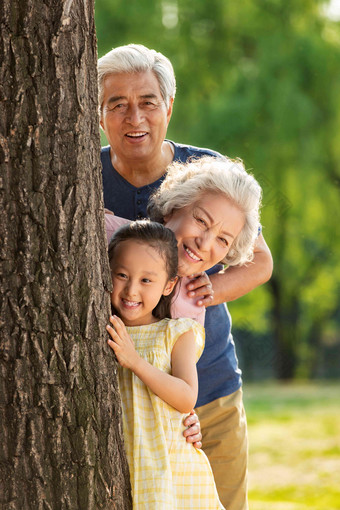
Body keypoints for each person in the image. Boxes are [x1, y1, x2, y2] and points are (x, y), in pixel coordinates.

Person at [98, 44, 273, 510]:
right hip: (117, 396)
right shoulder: (79, 176)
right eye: (117, 104)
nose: (135, 117)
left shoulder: (208, 174)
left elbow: (259, 261)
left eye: (149, 102)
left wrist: (206, 289)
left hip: (207, 387)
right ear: (99, 114)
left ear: (169, 107)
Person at [106, 220, 225, 509]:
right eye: (121, 275)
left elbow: (186, 397)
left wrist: (134, 362)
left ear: (169, 284)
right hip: (125, 467)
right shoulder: (107, 329)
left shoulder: (175, 332)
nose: (131, 290)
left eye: (146, 280)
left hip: (171, 469)